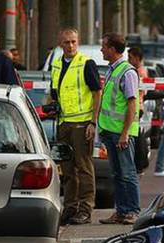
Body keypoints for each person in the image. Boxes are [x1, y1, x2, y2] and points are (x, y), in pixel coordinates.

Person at [50, 28, 103, 225]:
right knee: (67, 169)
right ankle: (70, 207)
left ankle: (85, 209)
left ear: (77, 42)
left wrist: (92, 122)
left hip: (82, 123)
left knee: (84, 168)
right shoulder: (56, 66)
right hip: (63, 122)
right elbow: (56, 93)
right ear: (60, 44)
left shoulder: (86, 63)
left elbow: (97, 92)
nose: (70, 46)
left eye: (73, 42)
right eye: (66, 42)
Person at [97, 33, 141, 225]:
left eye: (104, 46)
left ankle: (132, 211)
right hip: (111, 131)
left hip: (121, 133)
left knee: (127, 172)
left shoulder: (127, 72)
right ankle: (121, 211)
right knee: (117, 173)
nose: (101, 50)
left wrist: (124, 133)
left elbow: (132, 105)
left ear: (113, 49)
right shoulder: (113, 70)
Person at [127, 46, 150, 175]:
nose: (129, 60)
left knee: (134, 136)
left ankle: (139, 162)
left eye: (130, 58)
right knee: (136, 135)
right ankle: (140, 162)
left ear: (136, 58)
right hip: (137, 106)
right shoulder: (138, 71)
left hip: (136, 106)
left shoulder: (139, 72)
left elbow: (142, 91)